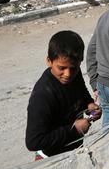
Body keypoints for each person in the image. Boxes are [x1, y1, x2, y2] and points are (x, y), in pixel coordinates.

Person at [25, 30, 101, 159]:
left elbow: (81, 92)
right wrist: (74, 129)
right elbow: (33, 142)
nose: (68, 74)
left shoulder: (74, 75)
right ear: (49, 61)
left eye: (73, 68)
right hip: (51, 158)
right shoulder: (42, 95)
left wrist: (89, 104)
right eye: (61, 68)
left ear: (80, 61)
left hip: (74, 150)